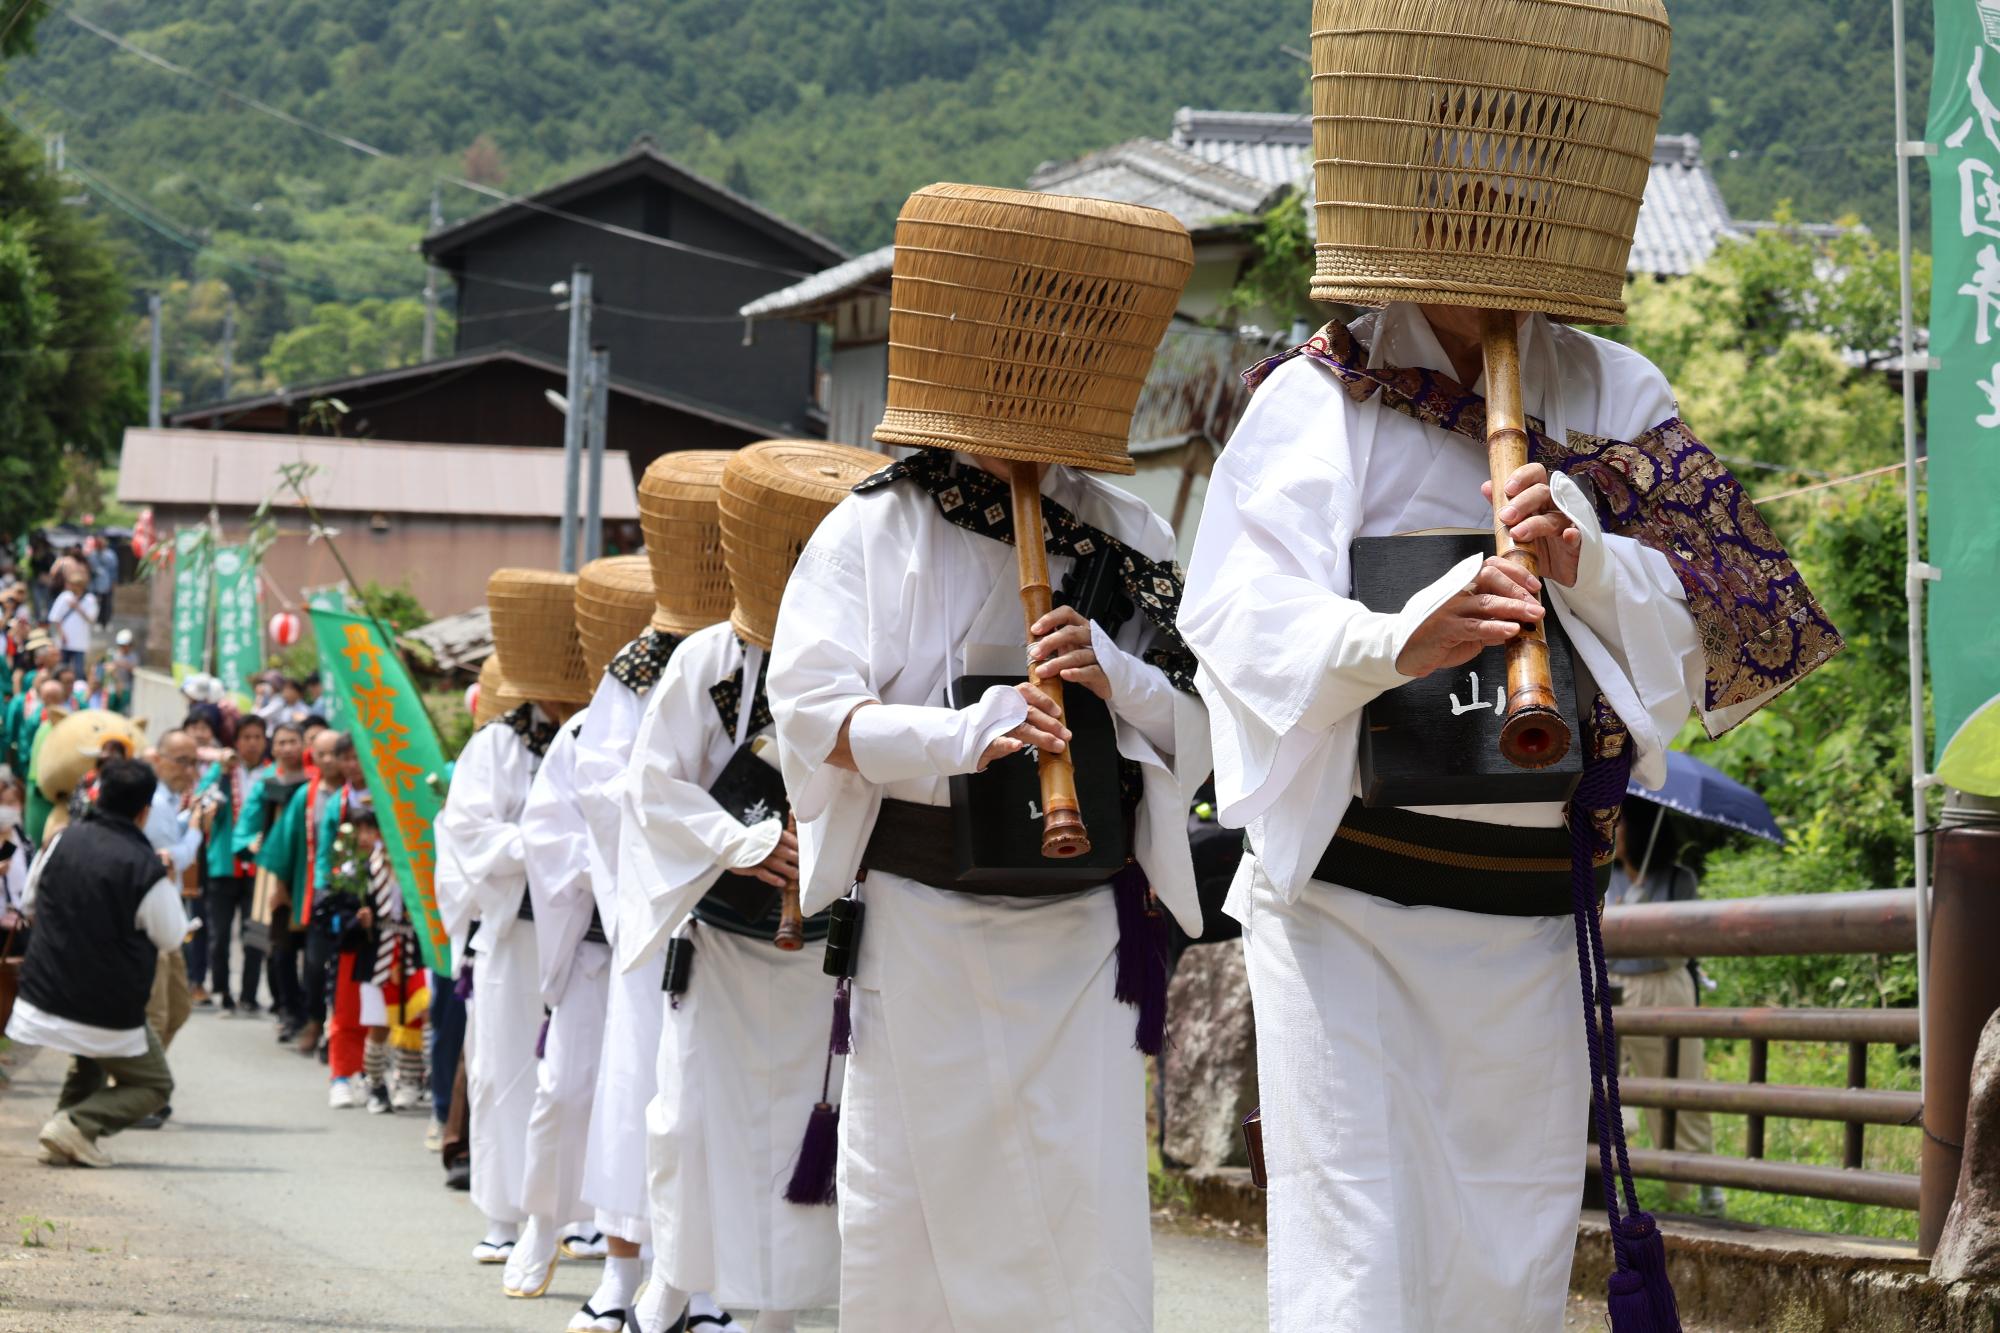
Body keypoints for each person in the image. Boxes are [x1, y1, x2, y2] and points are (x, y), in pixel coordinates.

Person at [1174, 11, 1841, 1325]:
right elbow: (1237, 617)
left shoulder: (1614, 393)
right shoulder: (1319, 397)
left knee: (1508, 1261)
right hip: (1348, 909)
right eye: (1458, 194)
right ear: (1411, 206)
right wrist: (1391, 640)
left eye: (1518, 194)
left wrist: (1587, 556)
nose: (1490, 221)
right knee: (1360, 1263)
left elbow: (1709, 636)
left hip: (1529, 912)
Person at [769, 187, 1210, 1333]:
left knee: (1078, 1201)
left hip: (1080, 921)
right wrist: (965, 734)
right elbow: (813, 716)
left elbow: (1207, 732)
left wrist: (1114, 675)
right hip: (924, 915)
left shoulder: (1129, 534)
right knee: (913, 1203)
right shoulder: (876, 527)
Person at [623, 443, 881, 1333]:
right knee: (690, 1120)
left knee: (806, 1126)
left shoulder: (867, 657)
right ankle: (668, 1290)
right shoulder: (710, 660)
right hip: (725, 945)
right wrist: (741, 842)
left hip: (819, 955)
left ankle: (778, 1314)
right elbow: (652, 786)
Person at [566, 453, 737, 1333]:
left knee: (724, 1097)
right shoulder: (636, 667)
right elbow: (601, 787)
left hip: (748, 906)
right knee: (639, 1087)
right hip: (660, 904)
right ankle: (621, 1273)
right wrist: (686, 818)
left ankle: (707, 1283)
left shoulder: (769, 650)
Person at [511, 556, 659, 1314]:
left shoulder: (716, 695)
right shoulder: (579, 731)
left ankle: (652, 1260)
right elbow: (548, 836)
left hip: (672, 942)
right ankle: (541, 1223)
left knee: (653, 1103)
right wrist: (608, 859)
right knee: (564, 1091)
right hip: (597, 941)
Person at [433, 570, 584, 1269]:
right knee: (504, 1068)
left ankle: (575, 1212)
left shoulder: (602, 734)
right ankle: (503, 1212)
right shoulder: (498, 743)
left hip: (588, 927)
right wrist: (544, 843)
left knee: (578, 1071)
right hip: (517, 926)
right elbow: (468, 834)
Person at [7, 758, 185, 1166]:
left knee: (89, 1058)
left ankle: (63, 1133)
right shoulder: (144, 867)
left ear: (98, 796)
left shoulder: (61, 841)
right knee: (155, 1085)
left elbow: (29, 903)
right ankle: (77, 1122)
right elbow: (171, 936)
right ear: (144, 812)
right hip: (105, 1005)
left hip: (42, 991)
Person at [1608, 800, 1722, 1215]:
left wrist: (1647, 922)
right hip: (1613, 988)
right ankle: (1613, 1186)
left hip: (1665, 986)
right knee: (1608, 1091)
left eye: (1618, 822)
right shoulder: (1604, 876)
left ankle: (1701, 1188)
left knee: (1679, 1087)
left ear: (1638, 829)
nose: (1610, 828)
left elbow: (1691, 942)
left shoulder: (1678, 879)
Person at [233, 722, 311, 1034]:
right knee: (279, 948)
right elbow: (247, 824)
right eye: (281, 742)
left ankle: (310, 1012)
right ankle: (287, 1009)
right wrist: (249, 843)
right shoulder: (266, 784)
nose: (287, 748)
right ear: (273, 747)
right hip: (274, 874)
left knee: (312, 952)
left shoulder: (314, 781)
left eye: (293, 741)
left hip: (307, 873)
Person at [196, 715, 269, 1015]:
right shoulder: (222, 770)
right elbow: (201, 801)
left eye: (257, 737)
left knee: (255, 933)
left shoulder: (271, 773)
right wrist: (221, 773)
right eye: (246, 737)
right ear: (237, 742)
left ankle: (249, 995)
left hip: (259, 865)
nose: (252, 743)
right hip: (224, 864)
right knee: (220, 933)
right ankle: (222, 990)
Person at [45, 569, 97, 679]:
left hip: (80, 643)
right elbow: (55, 618)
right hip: (64, 642)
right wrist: (61, 634)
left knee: (78, 671)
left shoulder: (90, 599)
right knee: (61, 669)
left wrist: (77, 607)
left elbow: (91, 619)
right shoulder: (64, 597)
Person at [88, 537, 118, 628]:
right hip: (95, 585)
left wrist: (113, 582)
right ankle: (97, 621)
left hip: (107, 583)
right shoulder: (92, 555)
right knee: (96, 604)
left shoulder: (110, 555)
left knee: (107, 604)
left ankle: (106, 622)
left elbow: (114, 570)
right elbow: (90, 570)